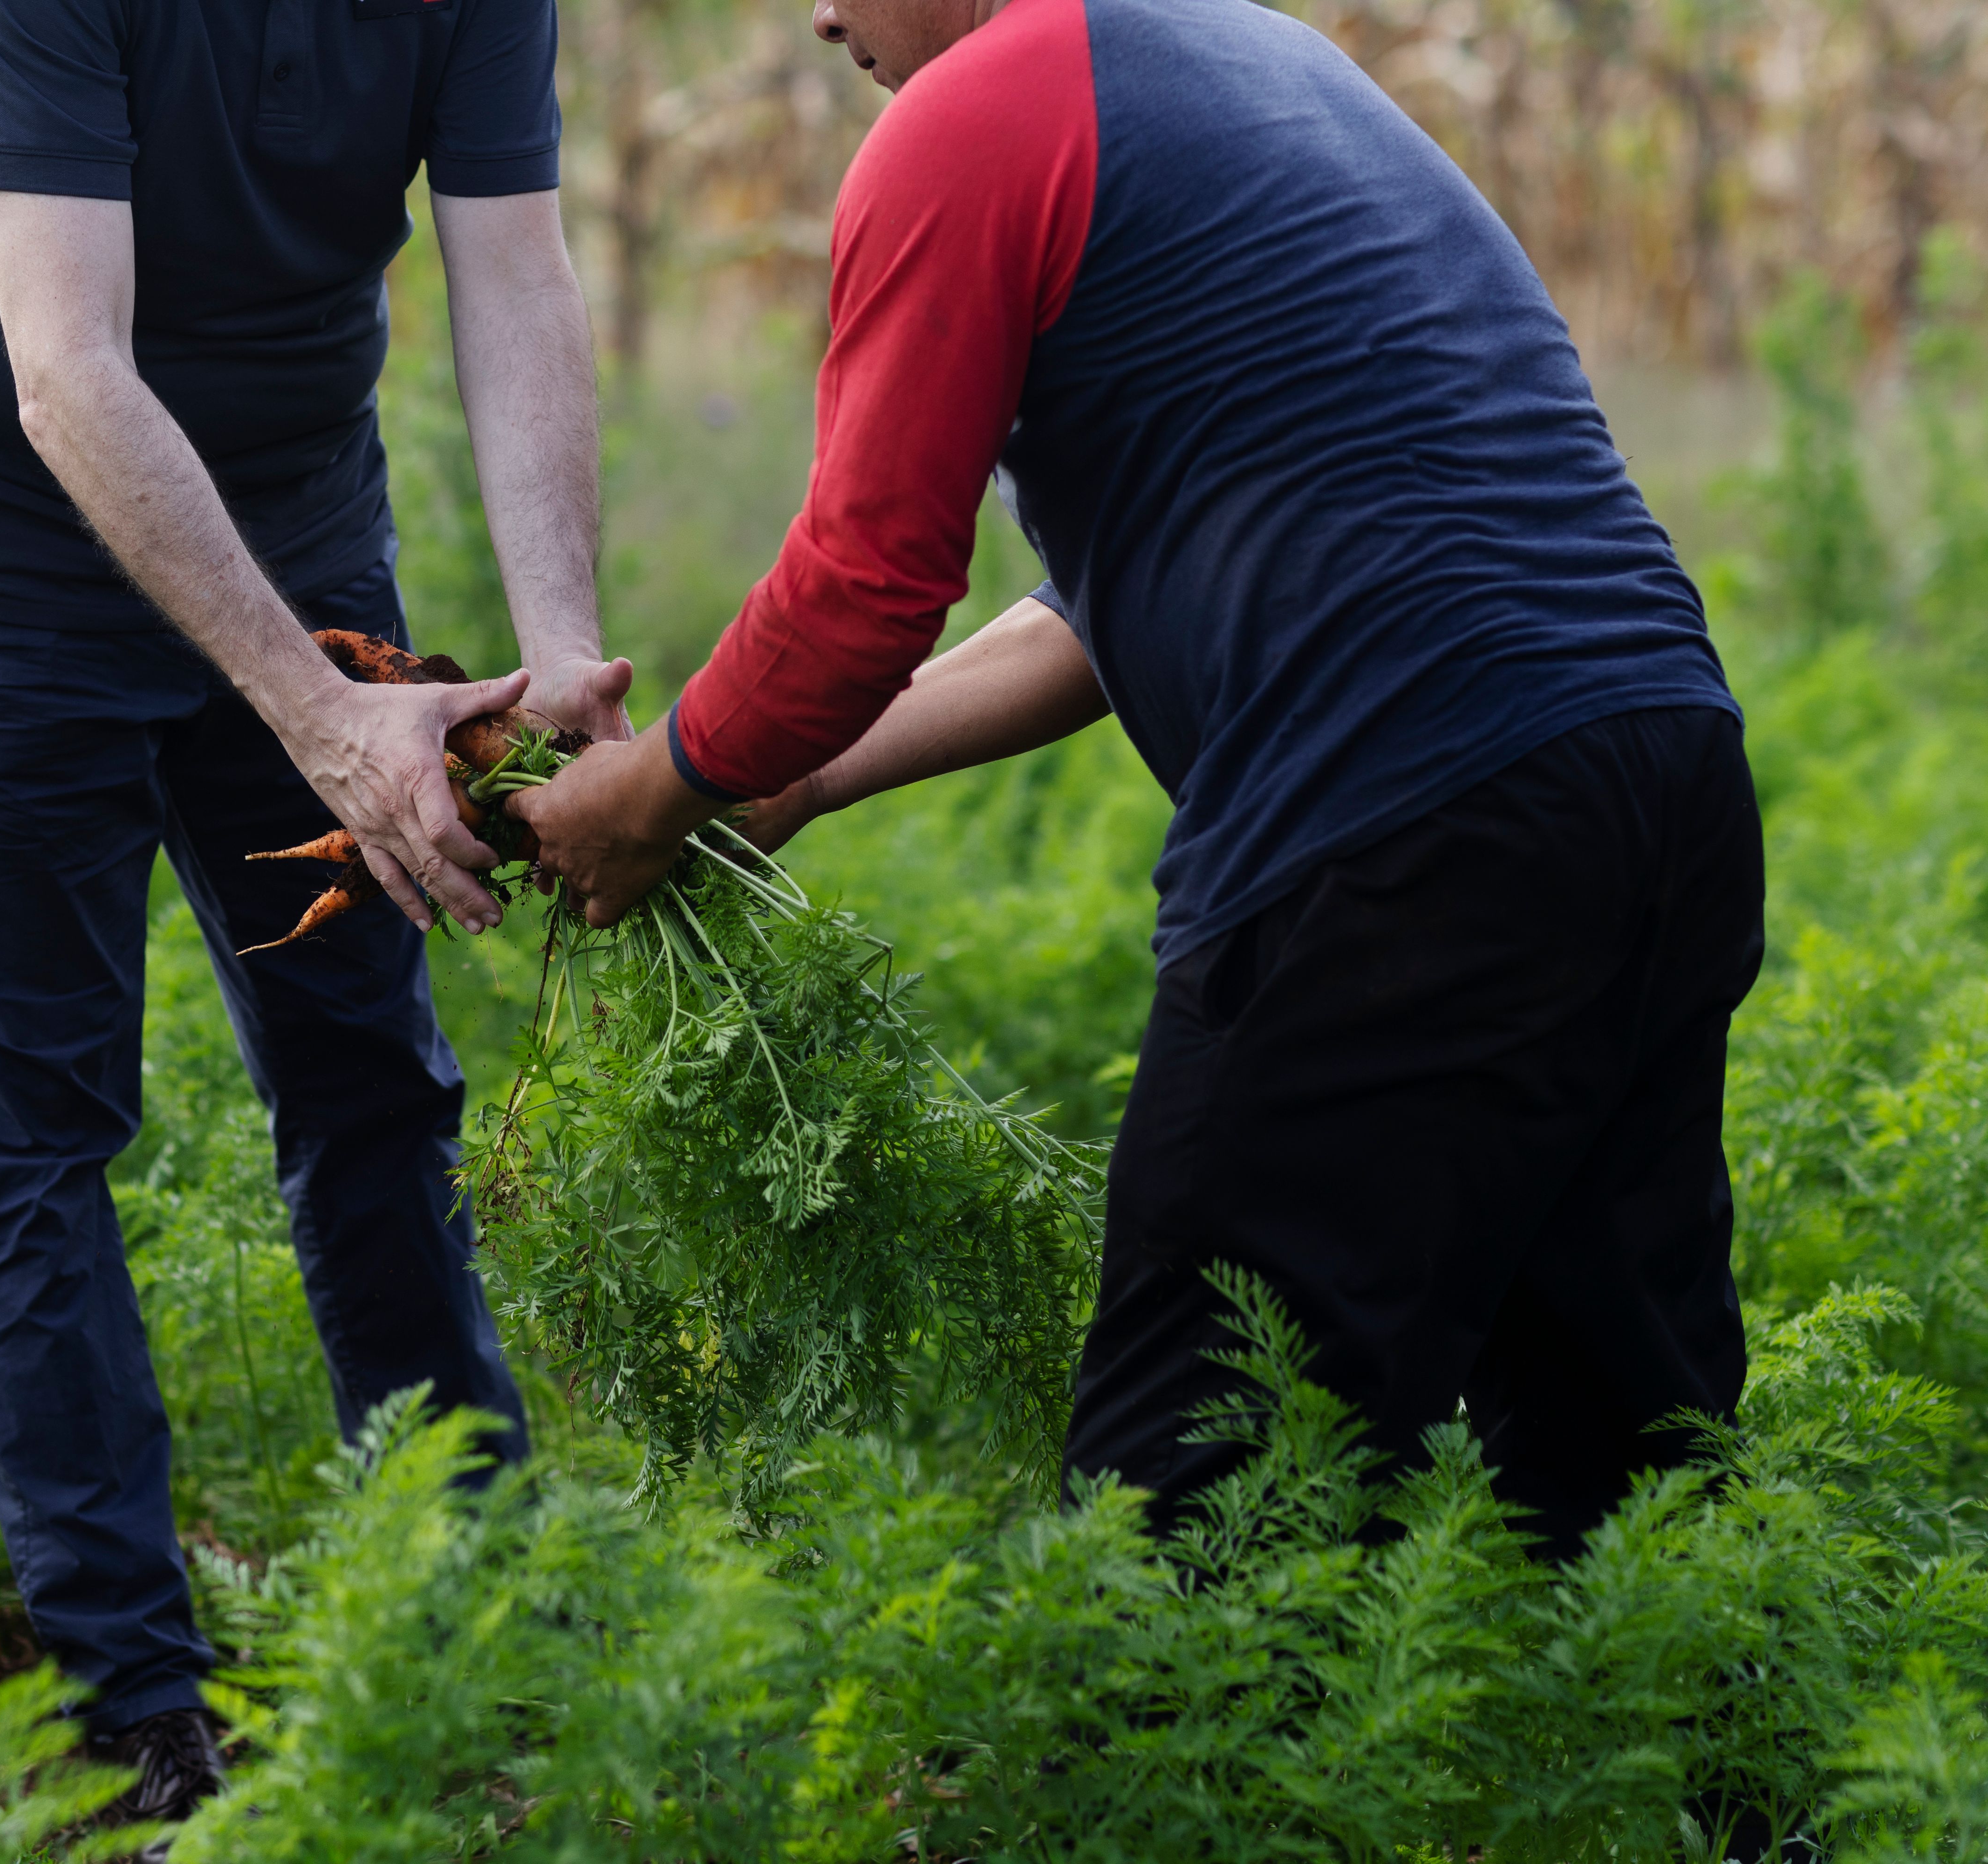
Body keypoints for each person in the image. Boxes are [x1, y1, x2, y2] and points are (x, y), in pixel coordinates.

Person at [512, 0, 1761, 1557]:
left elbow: (863, 587)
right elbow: (1106, 609)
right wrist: (784, 785)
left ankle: (1161, 1790)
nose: (820, 16)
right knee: (1632, 1463)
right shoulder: (1252, 60)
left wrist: (650, 797)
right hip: (1655, 769)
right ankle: (1742, 1800)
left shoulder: (974, 119)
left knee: (1198, 1491)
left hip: (1401, 829)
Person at [0, 0, 627, 1824]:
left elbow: (516, 271)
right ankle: (135, 1723)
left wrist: (565, 654)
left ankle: (467, 1599)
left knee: (367, 1067)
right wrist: (325, 713)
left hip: (293, 495)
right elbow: (69, 375)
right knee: (31, 1120)